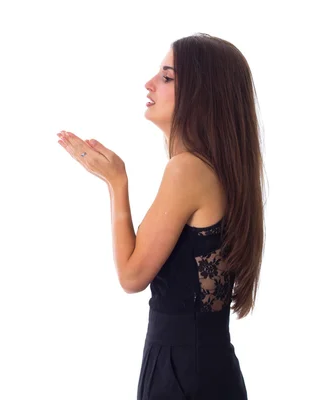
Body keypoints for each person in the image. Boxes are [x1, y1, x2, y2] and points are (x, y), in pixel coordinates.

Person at [56, 33, 264, 399]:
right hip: (203, 366)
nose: (149, 84)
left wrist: (116, 182)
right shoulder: (214, 169)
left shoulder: (187, 170)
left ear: (202, 95)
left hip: (183, 372)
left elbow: (132, 275)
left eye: (167, 77)